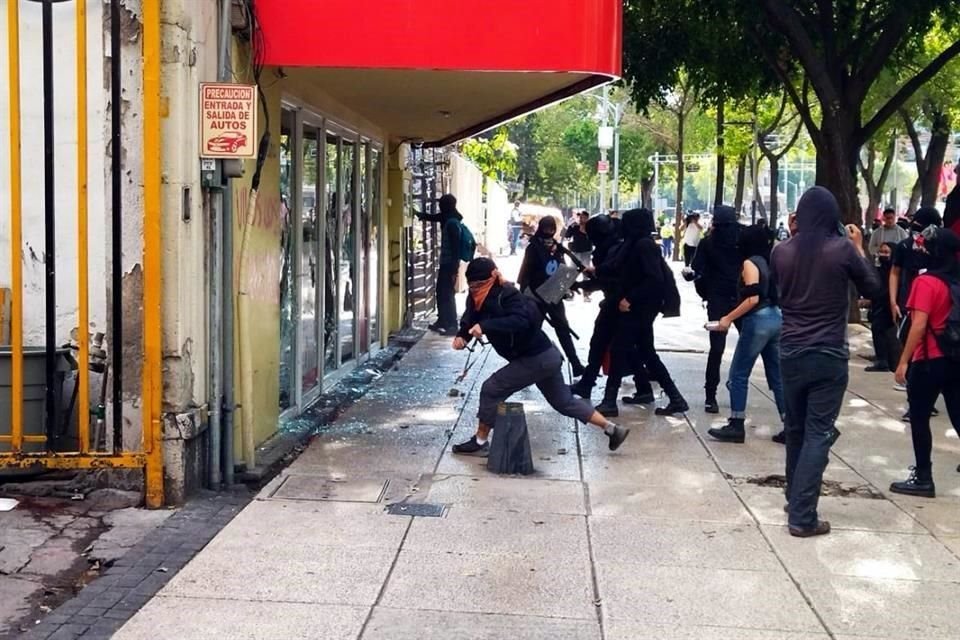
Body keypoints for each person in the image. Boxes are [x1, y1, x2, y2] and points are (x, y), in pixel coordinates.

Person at [771, 187, 881, 538]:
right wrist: (860, 248)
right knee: (818, 432)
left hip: (790, 350)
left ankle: (795, 496)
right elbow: (873, 289)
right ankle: (803, 515)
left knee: (796, 429)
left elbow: (776, 294)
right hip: (828, 352)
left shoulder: (781, 251)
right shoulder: (842, 250)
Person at [450, 257, 630, 455]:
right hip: (546, 358)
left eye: (479, 284)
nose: (475, 289)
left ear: (491, 278)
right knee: (564, 402)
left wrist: (486, 326)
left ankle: (480, 441)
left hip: (538, 358)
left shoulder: (508, 294)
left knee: (492, 388)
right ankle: (612, 429)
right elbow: (470, 317)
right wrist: (462, 336)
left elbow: (520, 321)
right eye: (471, 285)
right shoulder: (476, 298)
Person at [594, 208, 689, 417]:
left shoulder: (643, 245)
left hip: (640, 308)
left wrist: (630, 298)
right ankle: (676, 398)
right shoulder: (637, 244)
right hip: (641, 307)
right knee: (647, 352)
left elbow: (653, 278)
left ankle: (610, 401)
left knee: (620, 349)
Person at [889, 228, 960, 497]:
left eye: (925, 247)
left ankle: (923, 477)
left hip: (928, 359)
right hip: (954, 358)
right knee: (957, 413)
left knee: (919, 418)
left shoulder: (925, 283)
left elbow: (918, 325)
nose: (920, 251)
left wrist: (903, 361)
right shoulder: (955, 282)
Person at [707, 224, 787, 444]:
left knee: (738, 375)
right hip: (776, 318)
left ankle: (736, 424)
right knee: (777, 377)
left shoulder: (750, 263)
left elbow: (753, 298)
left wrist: (727, 318)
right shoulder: (770, 262)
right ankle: (790, 425)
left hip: (758, 320)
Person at [570, 215, 655, 405]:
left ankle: (602, 392)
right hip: (618, 302)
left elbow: (610, 279)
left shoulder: (612, 249)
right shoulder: (615, 245)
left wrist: (583, 284)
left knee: (608, 344)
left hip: (618, 303)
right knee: (620, 347)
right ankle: (642, 387)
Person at [517, 217, 585, 376]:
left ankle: (575, 363)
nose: (549, 232)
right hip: (535, 295)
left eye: (551, 229)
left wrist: (568, 286)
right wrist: (525, 296)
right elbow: (525, 274)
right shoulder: (533, 248)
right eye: (546, 229)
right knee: (532, 331)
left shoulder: (557, 247)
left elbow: (562, 269)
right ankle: (521, 365)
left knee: (563, 329)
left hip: (554, 293)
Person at [690, 206, 741, 414]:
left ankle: (710, 395)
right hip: (741, 298)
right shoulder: (741, 241)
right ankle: (737, 384)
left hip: (717, 299)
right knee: (748, 346)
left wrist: (705, 293)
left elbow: (696, 270)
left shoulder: (708, 243)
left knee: (717, 349)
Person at [418, 193, 468, 335]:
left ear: (446, 206)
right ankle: (443, 320)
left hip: (449, 265)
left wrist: (454, 269)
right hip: (447, 263)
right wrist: (418, 214)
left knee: (447, 293)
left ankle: (452, 324)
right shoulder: (449, 218)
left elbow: (456, 248)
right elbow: (434, 217)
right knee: (441, 292)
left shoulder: (451, 223)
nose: (439, 207)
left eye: (441, 204)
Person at [865, 242, 901, 373]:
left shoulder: (895, 272)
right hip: (879, 305)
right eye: (881, 252)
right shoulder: (880, 270)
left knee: (881, 330)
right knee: (877, 330)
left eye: (886, 252)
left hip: (888, 305)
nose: (883, 255)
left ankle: (883, 360)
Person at [565, 211, 594, 302]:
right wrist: (570, 226)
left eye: (584, 217)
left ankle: (586, 294)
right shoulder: (575, 227)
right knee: (572, 272)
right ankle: (570, 293)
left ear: (587, 218)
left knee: (586, 273)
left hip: (586, 252)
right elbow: (567, 235)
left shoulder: (591, 228)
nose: (582, 219)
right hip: (575, 253)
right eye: (581, 217)